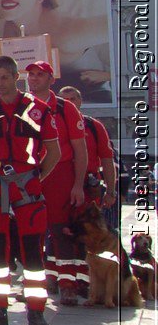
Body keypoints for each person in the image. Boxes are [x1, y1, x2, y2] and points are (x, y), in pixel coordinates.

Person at [0, 55, 59, 325]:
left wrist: (33, 178)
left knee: (33, 253)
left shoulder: (39, 109)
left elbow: (53, 152)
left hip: (28, 187)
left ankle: (36, 313)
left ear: (15, 77)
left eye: (4, 78)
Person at [22, 61, 90, 305]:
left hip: (60, 175)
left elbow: (80, 150)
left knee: (62, 231)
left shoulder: (65, 109)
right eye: (31, 74)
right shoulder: (21, 106)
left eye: (40, 75)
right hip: (27, 174)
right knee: (30, 232)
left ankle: (67, 285)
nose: (34, 79)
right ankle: (34, 282)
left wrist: (78, 185)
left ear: (52, 79)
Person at [61, 86, 120, 235]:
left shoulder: (94, 126)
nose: (69, 102)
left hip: (89, 189)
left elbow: (107, 160)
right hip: (60, 188)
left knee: (88, 234)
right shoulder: (50, 124)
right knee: (59, 233)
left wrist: (111, 191)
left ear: (80, 101)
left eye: (73, 99)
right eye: (65, 100)